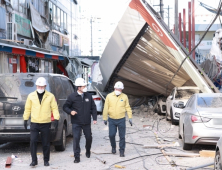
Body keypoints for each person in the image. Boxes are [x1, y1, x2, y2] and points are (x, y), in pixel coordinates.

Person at [23, 77, 60, 167]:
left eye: (41, 86)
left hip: (46, 122)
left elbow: (54, 108)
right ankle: (34, 161)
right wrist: (25, 119)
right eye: (38, 86)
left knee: (46, 142)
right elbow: (27, 108)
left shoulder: (50, 96)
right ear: (36, 86)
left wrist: (56, 119)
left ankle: (46, 161)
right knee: (33, 141)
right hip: (34, 122)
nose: (40, 88)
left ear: (45, 86)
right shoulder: (31, 96)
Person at [63, 78, 97, 163]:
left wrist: (95, 118)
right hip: (76, 122)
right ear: (79, 87)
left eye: (85, 86)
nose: (85, 87)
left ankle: (88, 150)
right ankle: (77, 157)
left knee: (89, 138)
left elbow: (93, 107)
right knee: (76, 139)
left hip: (86, 122)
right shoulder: (72, 97)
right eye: (83, 86)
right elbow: (65, 107)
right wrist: (71, 111)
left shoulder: (88, 96)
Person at [103, 81, 132, 157]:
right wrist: (105, 118)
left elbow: (127, 107)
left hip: (121, 119)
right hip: (112, 119)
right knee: (111, 135)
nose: (118, 90)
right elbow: (106, 107)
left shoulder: (124, 97)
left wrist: (130, 117)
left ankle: (122, 150)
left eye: (120, 89)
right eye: (117, 89)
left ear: (122, 90)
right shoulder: (109, 96)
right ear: (114, 88)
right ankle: (113, 146)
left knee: (122, 136)